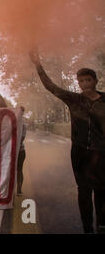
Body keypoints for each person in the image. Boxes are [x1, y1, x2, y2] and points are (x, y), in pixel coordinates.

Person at [30, 49, 105, 233]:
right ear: (78, 83)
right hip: (79, 152)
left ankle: (101, 225)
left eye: (88, 80)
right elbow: (51, 87)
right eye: (81, 81)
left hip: (101, 152)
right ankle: (87, 228)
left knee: (102, 190)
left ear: (95, 81)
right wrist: (38, 66)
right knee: (84, 191)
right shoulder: (74, 100)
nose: (85, 84)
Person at [0, 93, 27, 196]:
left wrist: (19, 113)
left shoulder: (11, 113)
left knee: (18, 169)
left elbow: (22, 129)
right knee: (0, 170)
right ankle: (0, 190)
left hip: (17, 149)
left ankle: (19, 189)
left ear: (2, 101)